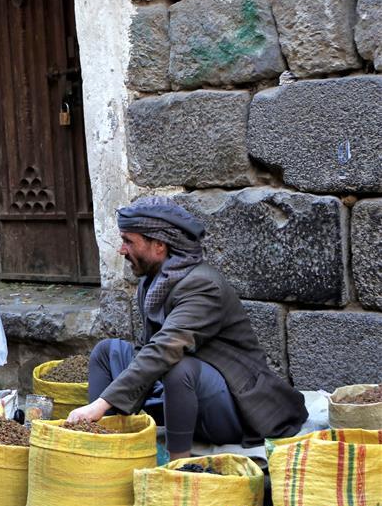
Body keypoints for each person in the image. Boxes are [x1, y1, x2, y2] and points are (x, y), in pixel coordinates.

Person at [67, 196, 308, 460]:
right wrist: (118, 401)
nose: (122, 250)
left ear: (159, 246)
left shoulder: (202, 285)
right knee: (106, 351)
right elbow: (146, 349)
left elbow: (165, 348)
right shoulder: (151, 282)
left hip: (234, 406)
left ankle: (179, 466)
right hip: (179, 393)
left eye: (128, 241)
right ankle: (102, 440)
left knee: (178, 366)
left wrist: (102, 403)